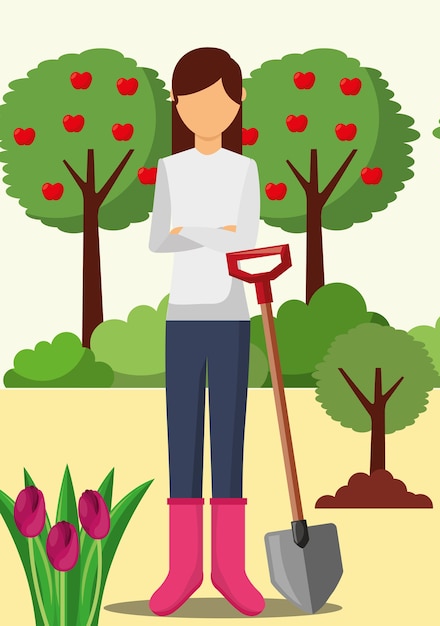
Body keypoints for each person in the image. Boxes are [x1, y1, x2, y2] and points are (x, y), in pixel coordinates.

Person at [148, 47, 264, 617]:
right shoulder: (172, 170)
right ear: (177, 106)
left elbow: (244, 240)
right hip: (183, 317)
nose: (206, 111)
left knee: (229, 439)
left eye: (217, 101)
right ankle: (184, 568)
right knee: (183, 440)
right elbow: (158, 240)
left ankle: (229, 569)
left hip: (231, 316)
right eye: (192, 102)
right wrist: (208, 229)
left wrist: (191, 229)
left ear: (237, 102)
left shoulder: (245, 171)